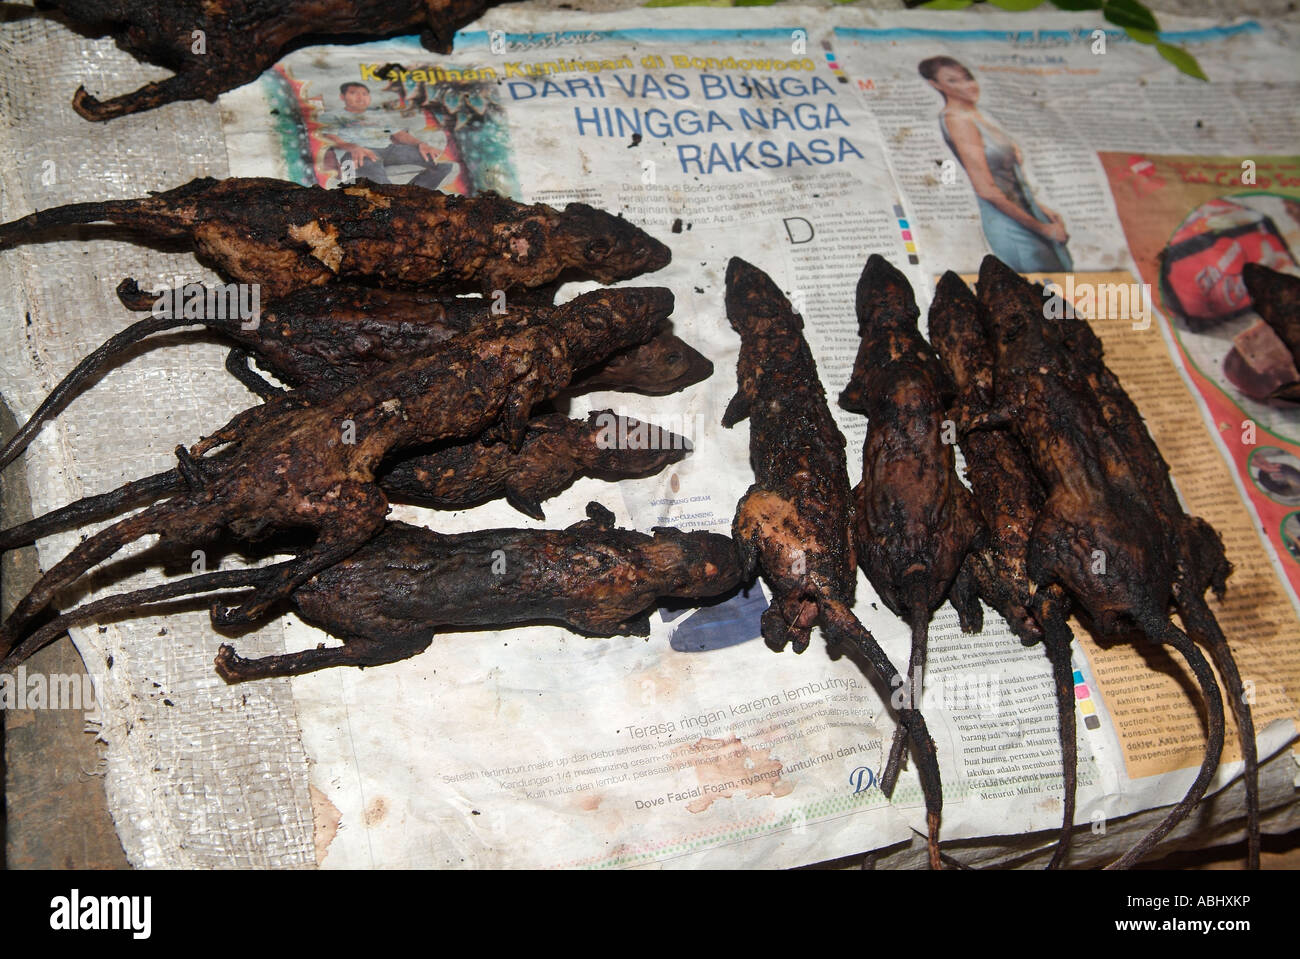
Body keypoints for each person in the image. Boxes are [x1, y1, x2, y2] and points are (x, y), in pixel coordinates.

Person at [920, 56, 1072, 272]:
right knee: (1043, 294)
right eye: (953, 81)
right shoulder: (956, 120)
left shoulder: (977, 115)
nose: (967, 86)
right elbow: (987, 190)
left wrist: (1040, 209)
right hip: (1012, 225)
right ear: (935, 85)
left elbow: (1008, 178)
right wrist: (1043, 229)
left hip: (1028, 214)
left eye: (967, 78)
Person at [319, 82, 457, 191]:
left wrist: (421, 144)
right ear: (342, 97)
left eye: (364, 93)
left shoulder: (378, 114)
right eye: (353, 93)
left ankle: (413, 194)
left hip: (389, 149)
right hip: (357, 153)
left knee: (444, 162)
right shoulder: (332, 115)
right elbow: (329, 136)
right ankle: (396, 201)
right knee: (382, 190)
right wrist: (352, 147)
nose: (360, 97)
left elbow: (399, 134)